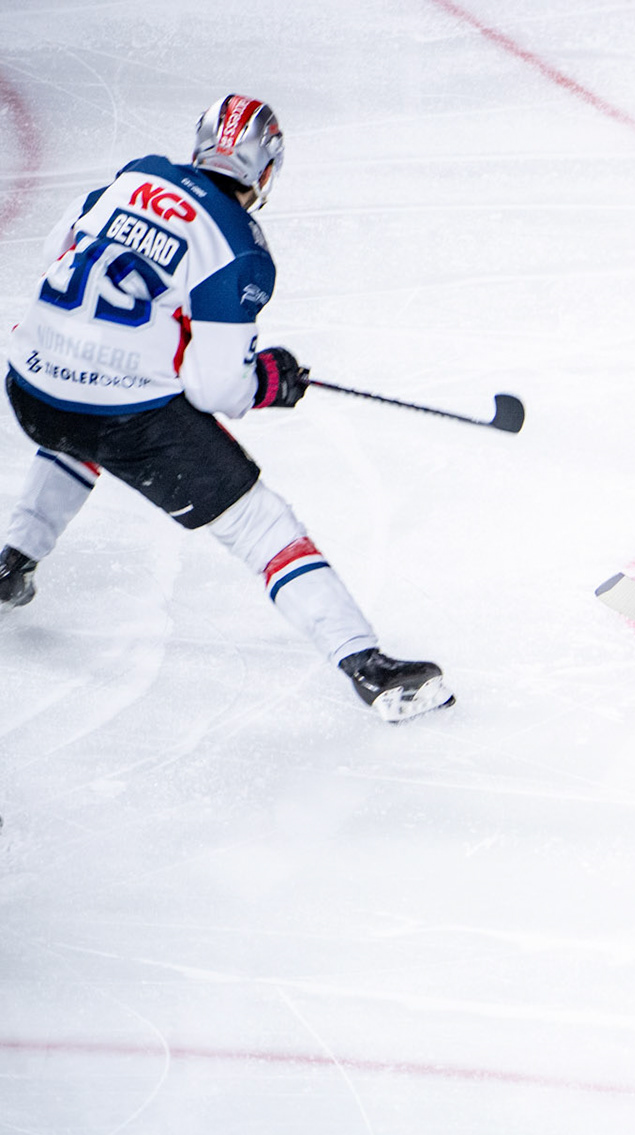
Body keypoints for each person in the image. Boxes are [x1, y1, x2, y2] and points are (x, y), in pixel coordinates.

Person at [0, 95, 452, 722]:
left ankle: (12, 561)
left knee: (82, 426)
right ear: (265, 171)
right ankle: (367, 668)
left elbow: (60, 251)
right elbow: (218, 391)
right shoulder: (238, 245)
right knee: (261, 525)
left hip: (30, 384)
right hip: (120, 416)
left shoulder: (137, 175)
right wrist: (269, 378)